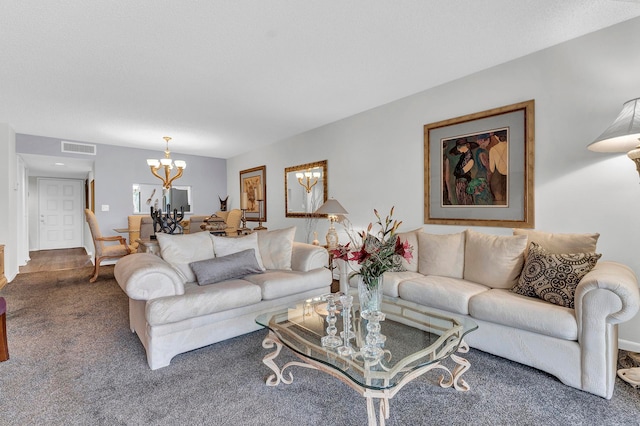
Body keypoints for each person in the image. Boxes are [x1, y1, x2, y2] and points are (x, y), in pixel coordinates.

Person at [448, 138, 478, 205]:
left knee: (465, 200)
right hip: (460, 182)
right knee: (462, 200)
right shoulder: (463, 157)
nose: (458, 149)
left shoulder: (469, 158)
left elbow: (461, 172)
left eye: (459, 147)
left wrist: (457, 172)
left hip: (463, 182)